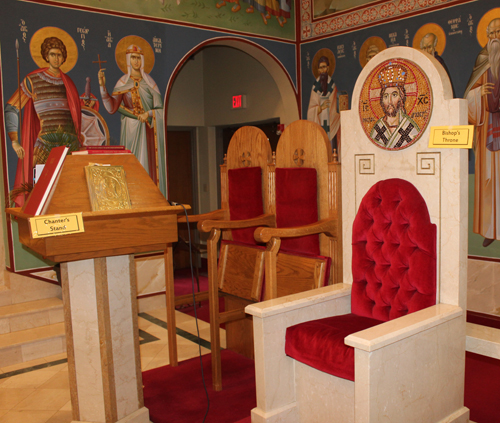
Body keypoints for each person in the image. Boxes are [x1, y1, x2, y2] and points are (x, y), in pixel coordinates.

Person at [4, 36, 81, 206]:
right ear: (46, 56)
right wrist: (15, 141)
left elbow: (75, 117)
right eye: (52, 54)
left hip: (69, 146)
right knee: (42, 198)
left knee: (69, 196)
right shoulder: (34, 80)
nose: (56, 58)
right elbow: (12, 107)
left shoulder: (68, 83)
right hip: (44, 145)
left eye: (60, 55)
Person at [98, 44, 166, 196]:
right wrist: (103, 86)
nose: (136, 61)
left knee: (146, 163)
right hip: (130, 129)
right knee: (132, 162)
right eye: (133, 58)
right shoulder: (123, 82)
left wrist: (147, 113)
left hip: (147, 129)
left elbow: (160, 109)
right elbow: (112, 108)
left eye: (138, 58)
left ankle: (148, 195)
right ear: (128, 60)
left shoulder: (150, 83)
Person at [464, 18, 500, 247]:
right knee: (488, 182)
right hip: (487, 129)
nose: (496, 36)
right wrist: (479, 95)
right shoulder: (482, 60)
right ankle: (490, 229)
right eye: (492, 32)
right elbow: (468, 96)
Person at [370, 64, 420, 149]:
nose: (389, 101)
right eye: (386, 96)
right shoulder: (377, 129)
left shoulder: (410, 128)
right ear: (382, 101)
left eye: (394, 95)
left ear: (401, 97)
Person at [307, 56, 340, 151]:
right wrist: (320, 108)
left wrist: (335, 116)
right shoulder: (315, 87)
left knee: (331, 149)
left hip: (331, 124)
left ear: (328, 68)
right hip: (319, 123)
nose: (322, 70)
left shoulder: (332, 86)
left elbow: (335, 107)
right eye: (320, 67)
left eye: (324, 67)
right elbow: (310, 111)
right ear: (317, 70)